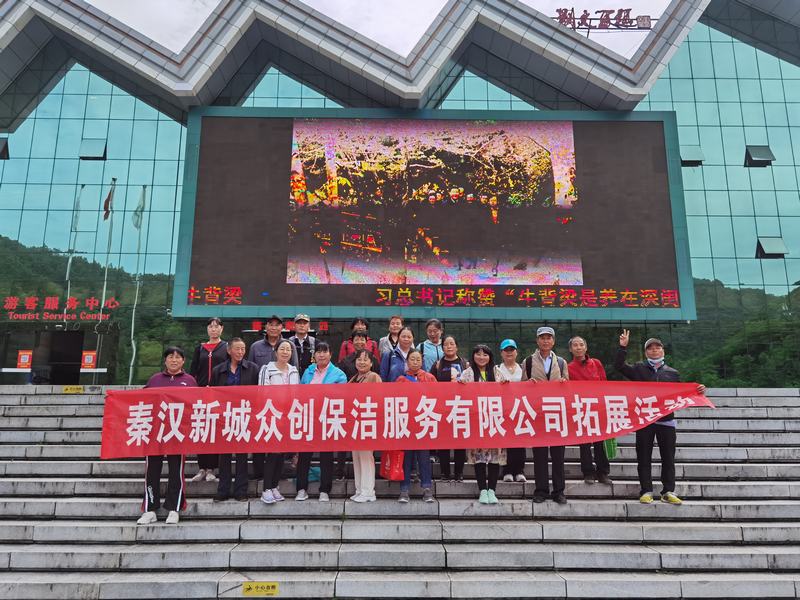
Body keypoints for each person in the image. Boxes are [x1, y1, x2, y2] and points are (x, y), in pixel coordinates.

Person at [615, 330, 706, 505]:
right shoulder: (638, 369)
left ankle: (668, 491)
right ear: (646, 352)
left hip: (666, 421)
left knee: (668, 458)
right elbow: (619, 366)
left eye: (658, 347)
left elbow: (681, 394)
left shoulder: (672, 373)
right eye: (650, 348)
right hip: (645, 421)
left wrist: (698, 391)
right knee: (643, 457)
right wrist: (623, 347)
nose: (654, 350)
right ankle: (646, 491)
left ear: (663, 351)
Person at [137, 346, 197, 525]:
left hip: (177, 432)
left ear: (183, 361)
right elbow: (142, 400)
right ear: (165, 360)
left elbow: (196, 404)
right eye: (170, 357)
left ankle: (174, 508)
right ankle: (150, 509)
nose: (174, 360)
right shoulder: (155, 379)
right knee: (152, 471)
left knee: (176, 471)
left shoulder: (190, 381)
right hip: (155, 432)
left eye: (178, 357)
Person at [247, 315, 298, 481]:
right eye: (271, 324)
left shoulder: (289, 346)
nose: (274, 328)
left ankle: (274, 479)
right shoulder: (256, 347)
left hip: (285, 410)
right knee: (261, 440)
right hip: (264, 406)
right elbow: (251, 371)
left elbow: (294, 370)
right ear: (266, 327)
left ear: (282, 328)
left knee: (279, 445)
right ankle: (260, 475)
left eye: (278, 325)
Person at [523, 326, 569, 505]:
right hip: (538, 414)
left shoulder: (562, 362)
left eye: (549, 338)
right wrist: (527, 383)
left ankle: (559, 491)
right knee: (539, 455)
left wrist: (564, 383)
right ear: (537, 341)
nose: (545, 341)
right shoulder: (528, 361)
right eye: (542, 337)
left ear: (553, 341)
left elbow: (568, 388)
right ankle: (541, 490)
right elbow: (521, 388)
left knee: (558, 456)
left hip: (557, 414)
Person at [211, 338, 260, 502]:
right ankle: (223, 490)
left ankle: (241, 490)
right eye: (237, 349)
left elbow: (257, 394)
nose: (240, 352)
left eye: (243, 349)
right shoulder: (218, 370)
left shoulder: (252, 369)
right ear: (229, 350)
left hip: (244, 416)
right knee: (224, 455)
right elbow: (212, 393)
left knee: (242, 455)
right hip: (223, 417)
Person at [297, 342, 347, 501]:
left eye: (325, 352)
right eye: (318, 352)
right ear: (314, 355)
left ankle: (325, 490)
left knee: (326, 455)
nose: (321, 355)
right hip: (309, 418)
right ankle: (301, 489)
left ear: (330, 354)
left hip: (328, 419)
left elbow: (341, 397)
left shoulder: (339, 374)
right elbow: (300, 393)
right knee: (304, 455)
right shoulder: (308, 372)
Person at [459, 344, 505, 504]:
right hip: (476, 420)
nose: (481, 357)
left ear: (490, 357)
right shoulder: (467, 373)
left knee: (494, 456)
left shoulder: (497, 372)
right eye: (478, 354)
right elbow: (459, 392)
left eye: (485, 354)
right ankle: (482, 490)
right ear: (473, 356)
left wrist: (506, 385)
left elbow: (506, 392)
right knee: (478, 456)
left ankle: (492, 490)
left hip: (493, 420)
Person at [257, 339, 300, 504]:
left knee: (281, 453)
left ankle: (274, 486)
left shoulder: (294, 370)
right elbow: (262, 392)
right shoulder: (267, 369)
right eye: (282, 349)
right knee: (273, 453)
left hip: (288, 416)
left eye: (288, 349)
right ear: (276, 352)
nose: (285, 352)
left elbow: (296, 394)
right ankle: (266, 489)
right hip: (272, 415)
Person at [188, 317, 228, 483]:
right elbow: (193, 370)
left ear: (221, 329)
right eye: (211, 326)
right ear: (207, 329)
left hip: (219, 394)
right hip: (201, 394)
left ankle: (212, 468)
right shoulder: (200, 348)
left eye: (216, 326)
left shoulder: (226, 347)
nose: (213, 329)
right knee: (201, 429)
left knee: (215, 430)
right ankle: (202, 468)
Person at [568, 335, 612, 486]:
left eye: (581, 344)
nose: (578, 347)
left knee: (600, 441)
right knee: (584, 442)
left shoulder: (596, 363)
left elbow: (604, 383)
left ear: (586, 347)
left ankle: (603, 472)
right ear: (571, 349)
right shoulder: (568, 367)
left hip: (598, 407)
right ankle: (588, 472)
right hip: (581, 408)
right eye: (575, 345)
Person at [396, 349, 437, 503]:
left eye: (418, 359)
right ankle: (404, 490)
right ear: (407, 361)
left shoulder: (429, 378)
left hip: (423, 422)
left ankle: (427, 489)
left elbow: (438, 396)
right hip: (406, 423)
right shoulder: (401, 380)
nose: (415, 362)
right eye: (412, 359)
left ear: (422, 361)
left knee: (424, 457)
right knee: (406, 458)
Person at [430, 335, 467, 481]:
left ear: (456, 346)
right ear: (442, 347)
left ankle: (459, 473)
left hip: (460, 407)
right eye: (446, 344)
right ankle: (445, 473)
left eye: (452, 344)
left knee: (460, 442)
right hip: (443, 408)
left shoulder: (465, 364)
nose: (449, 347)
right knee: (444, 441)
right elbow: (431, 385)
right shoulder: (437, 365)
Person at [348, 349, 382, 502]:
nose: (362, 362)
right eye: (359, 359)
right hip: (355, 423)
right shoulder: (354, 378)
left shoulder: (374, 377)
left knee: (366, 457)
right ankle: (359, 489)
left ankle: (368, 492)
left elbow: (379, 399)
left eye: (365, 360)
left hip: (368, 422)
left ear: (371, 363)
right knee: (357, 457)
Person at [496, 339, 526, 484]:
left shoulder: (523, 369)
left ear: (516, 352)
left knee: (520, 440)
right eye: (506, 350)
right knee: (505, 441)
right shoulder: (496, 369)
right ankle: (507, 470)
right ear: (501, 353)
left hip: (520, 410)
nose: (509, 353)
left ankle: (519, 471)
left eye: (511, 350)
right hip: (503, 411)